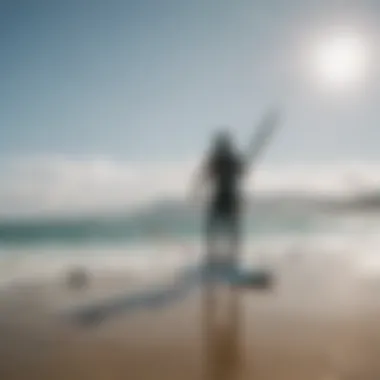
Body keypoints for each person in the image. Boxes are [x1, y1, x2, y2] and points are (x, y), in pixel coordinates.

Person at [193, 110, 280, 268]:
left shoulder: (221, 159)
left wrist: (196, 189)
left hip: (225, 197)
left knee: (217, 227)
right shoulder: (227, 159)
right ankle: (228, 256)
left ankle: (215, 255)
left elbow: (205, 176)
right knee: (226, 228)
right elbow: (240, 173)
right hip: (229, 198)